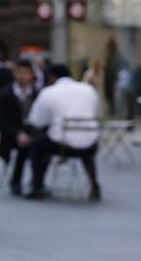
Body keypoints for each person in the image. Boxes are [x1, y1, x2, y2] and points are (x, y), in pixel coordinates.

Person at [23, 64, 101, 202]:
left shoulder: (49, 92)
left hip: (61, 145)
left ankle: (37, 185)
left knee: (36, 146)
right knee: (84, 146)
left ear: (52, 77)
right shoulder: (88, 89)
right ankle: (94, 184)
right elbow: (96, 114)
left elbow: (36, 121)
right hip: (90, 145)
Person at [0, 59, 39, 195]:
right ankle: (16, 180)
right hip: (10, 136)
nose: (23, 76)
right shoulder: (4, 94)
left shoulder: (38, 94)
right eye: (20, 72)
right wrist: (17, 133)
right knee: (24, 146)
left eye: (26, 73)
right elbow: (1, 123)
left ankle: (38, 182)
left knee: (41, 145)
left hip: (32, 133)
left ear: (32, 75)